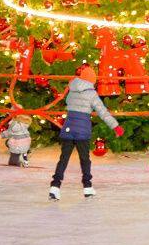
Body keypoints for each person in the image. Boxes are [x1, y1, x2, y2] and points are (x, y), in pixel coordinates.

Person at [50, 64, 124, 200]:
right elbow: (102, 112)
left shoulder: (72, 89)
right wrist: (115, 126)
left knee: (63, 159)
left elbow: (67, 101)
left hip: (69, 127)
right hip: (82, 129)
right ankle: (87, 187)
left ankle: (55, 187)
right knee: (85, 159)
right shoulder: (92, 94)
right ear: (92, 80)